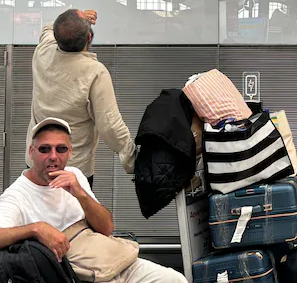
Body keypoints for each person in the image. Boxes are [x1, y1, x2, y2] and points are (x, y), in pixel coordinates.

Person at [1, 117, 186, 283]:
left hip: (111, 260)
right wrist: (36, 228)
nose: (53, 157)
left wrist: (80, 193)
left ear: (70, 152)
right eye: (44, 149)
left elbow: (106, 228)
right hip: (80, 274)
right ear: (31, 152)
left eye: (61, 149)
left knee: (175, 279)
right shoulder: (17, 195)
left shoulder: (75, 175)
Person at [25, 9, 136, 186]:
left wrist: (78, 17)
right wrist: (133, 161)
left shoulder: (43, 51)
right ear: (89, 38)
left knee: (36, 213)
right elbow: (110, 124)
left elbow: (47, 29)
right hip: (72, 171)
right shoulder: (95, 72)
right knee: (73, 214)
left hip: (37, 163)